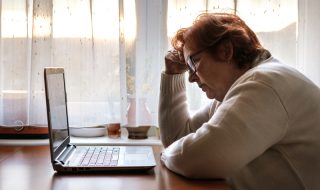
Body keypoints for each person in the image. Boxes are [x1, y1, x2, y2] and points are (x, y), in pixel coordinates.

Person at [159, 12, 320, 190]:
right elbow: (178, 137)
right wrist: (173, 74)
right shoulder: (236, 89)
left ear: (226, 51)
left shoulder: (263, 84)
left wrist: (166, 154)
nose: (191, 78)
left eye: (193, 62)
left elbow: (203, 157)